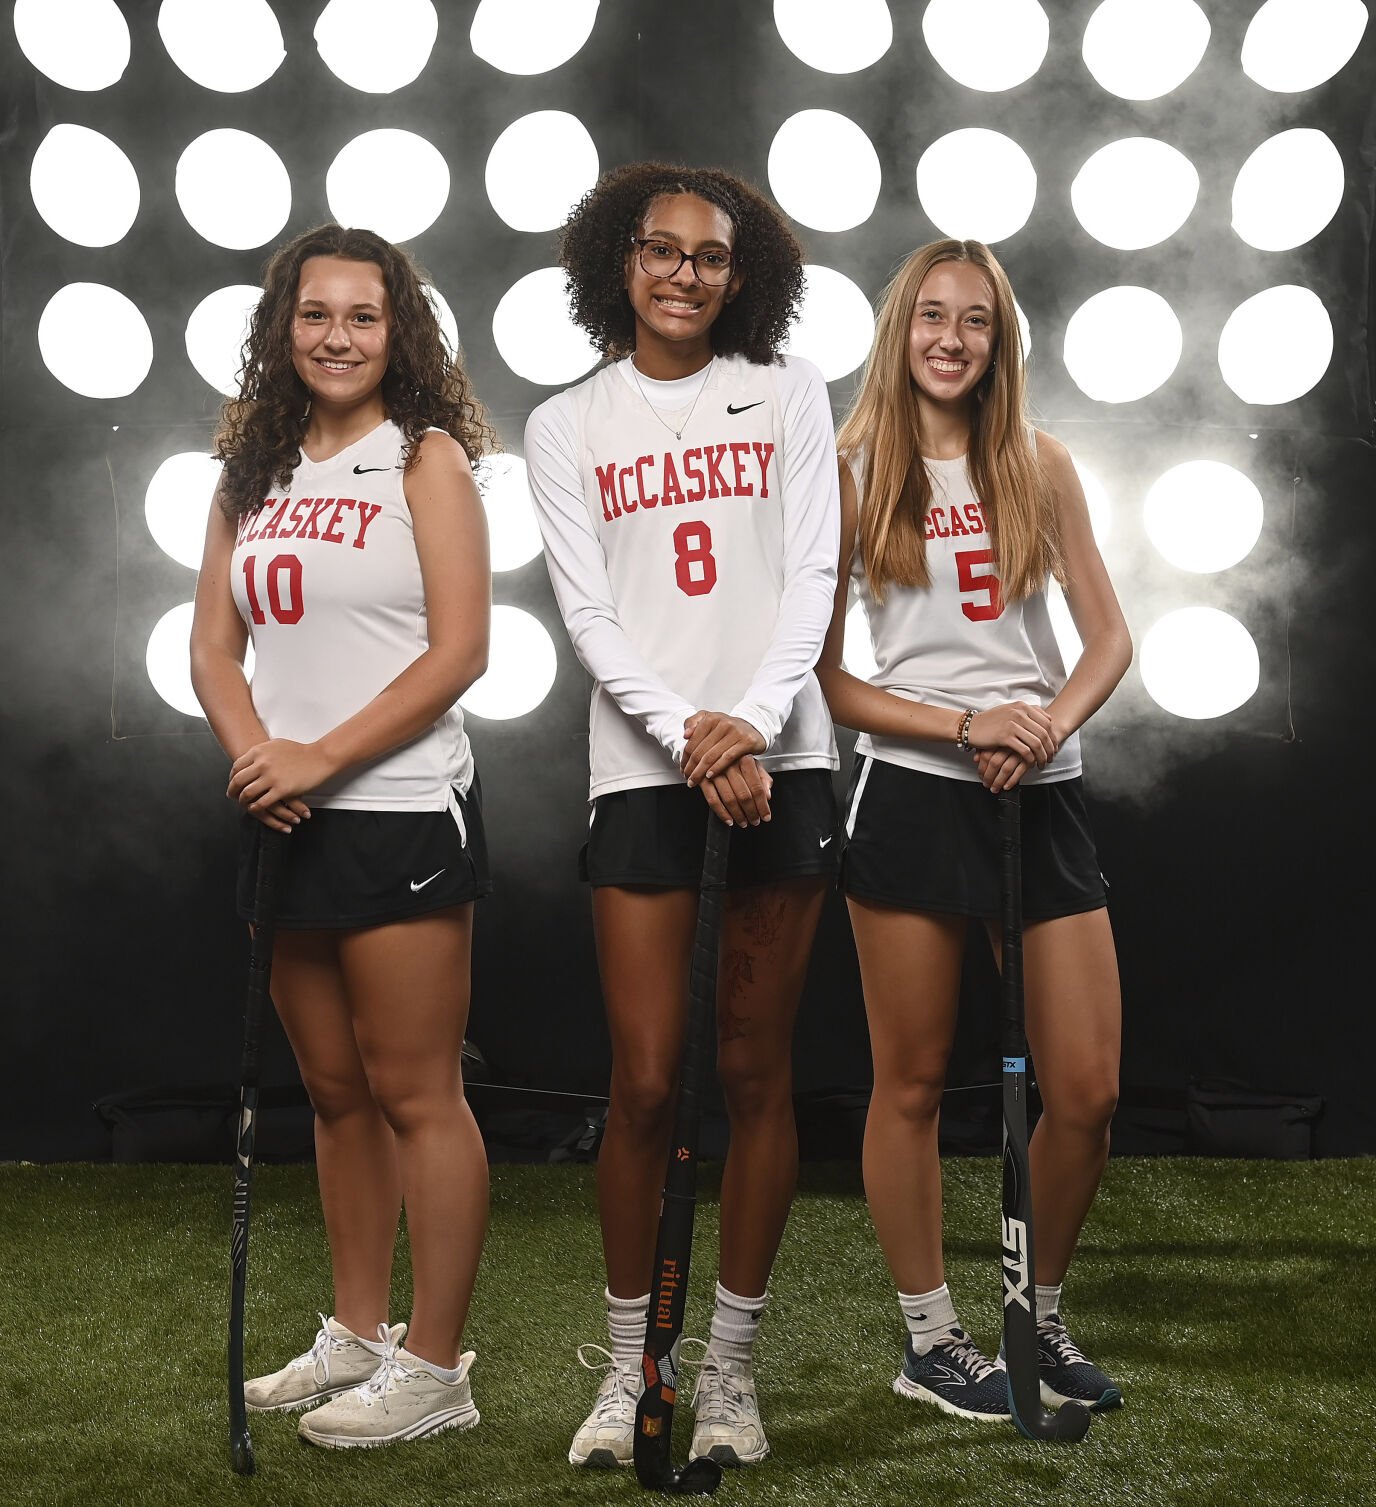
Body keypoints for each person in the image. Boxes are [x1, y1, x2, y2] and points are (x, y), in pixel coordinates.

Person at [524, 163, 840, 1469]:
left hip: (780, 755)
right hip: (648, 767)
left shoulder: (789, 395)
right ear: (619, 264)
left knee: (757, 1073)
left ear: (742, 272)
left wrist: (750, 722)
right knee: (648, 1078)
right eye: (661, 251)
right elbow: (587, 613)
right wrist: (690, 735)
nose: (685, 274)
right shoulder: (565, 421)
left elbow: (813, 573)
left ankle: (726, 1374)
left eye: (711, 257)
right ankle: (630, 1366)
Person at [190, 223, 494, 1449]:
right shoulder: (246, 473)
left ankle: (434, 1366)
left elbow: (461, 651)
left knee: (418, 1091)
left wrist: (322, 755)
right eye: (316, 315)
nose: (337, 336)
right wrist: (255, 752)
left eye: (362, 317)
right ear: (283, 328)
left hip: (401, 809)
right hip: (285, 814)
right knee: (332, 1094)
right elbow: (212, 645)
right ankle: (358, 1336)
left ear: (397, 330)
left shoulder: (424, 462)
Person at [816, 239, 1131, 1422]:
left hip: (1035, 785)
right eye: (931, 317)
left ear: (1002, 342)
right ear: (899, 332)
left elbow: (1106, 640)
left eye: (977, 321)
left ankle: (1033, 1315)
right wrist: (960, 723)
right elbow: (823, 679)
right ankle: (933, 1341)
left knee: (1087, 1088)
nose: (951, 339)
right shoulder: (850, 473)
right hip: (907, 783)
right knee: (907, 1083)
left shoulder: (1037, 465)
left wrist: (1041, 724)